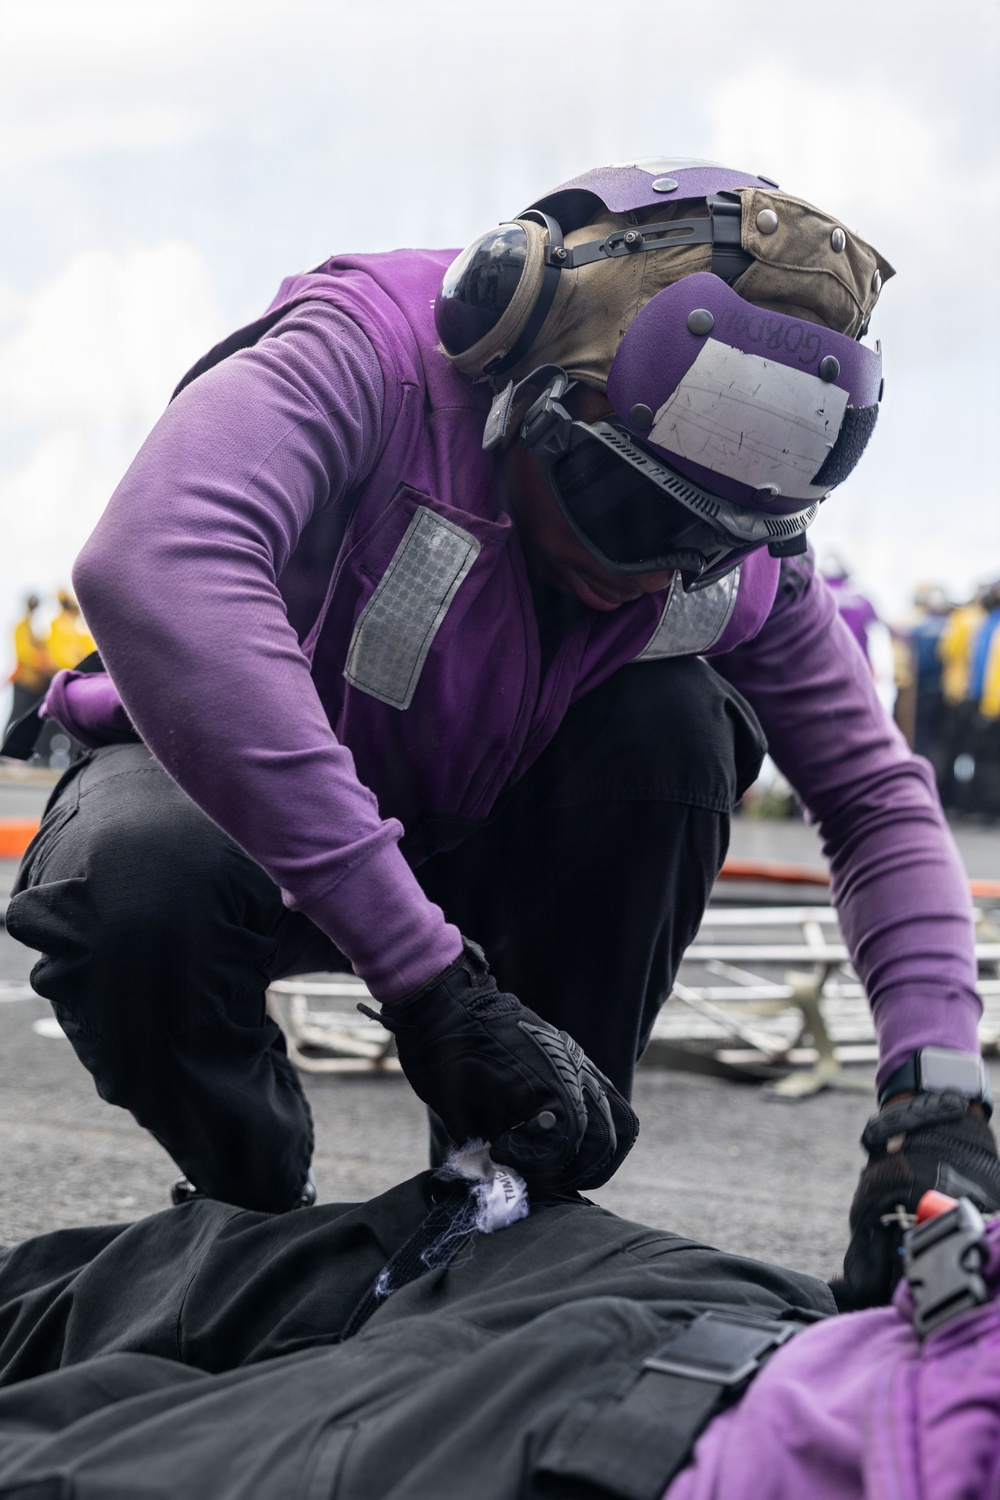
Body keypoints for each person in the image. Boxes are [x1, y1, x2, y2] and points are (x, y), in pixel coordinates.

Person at [6, 157, 999, 1308]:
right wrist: (427, 982)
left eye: (702, 545)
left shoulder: (723, 544)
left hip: (483, 839)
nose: (650, 573)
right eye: (627, 511)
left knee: (673, 730)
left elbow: (873, 797)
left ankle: (509, 1191)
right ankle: (249, 1201)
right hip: (237, 836)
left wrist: (935, 1108)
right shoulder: (366, 357)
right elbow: (152, 563)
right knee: (131, 875)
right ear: (521, 373)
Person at [0, 1158, 996, 1498]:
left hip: (626, 1460)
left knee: (79, 1461)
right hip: (773, 1318)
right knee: (201, 1272)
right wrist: (932, 1089)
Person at [3, 593, 51, 736]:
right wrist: (40, 663)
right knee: (16, 715)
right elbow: (24, 654)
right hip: (25, 682)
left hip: (37, 684)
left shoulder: (34, 629)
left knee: (34, 718)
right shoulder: (21, 627)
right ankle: (5, 746)